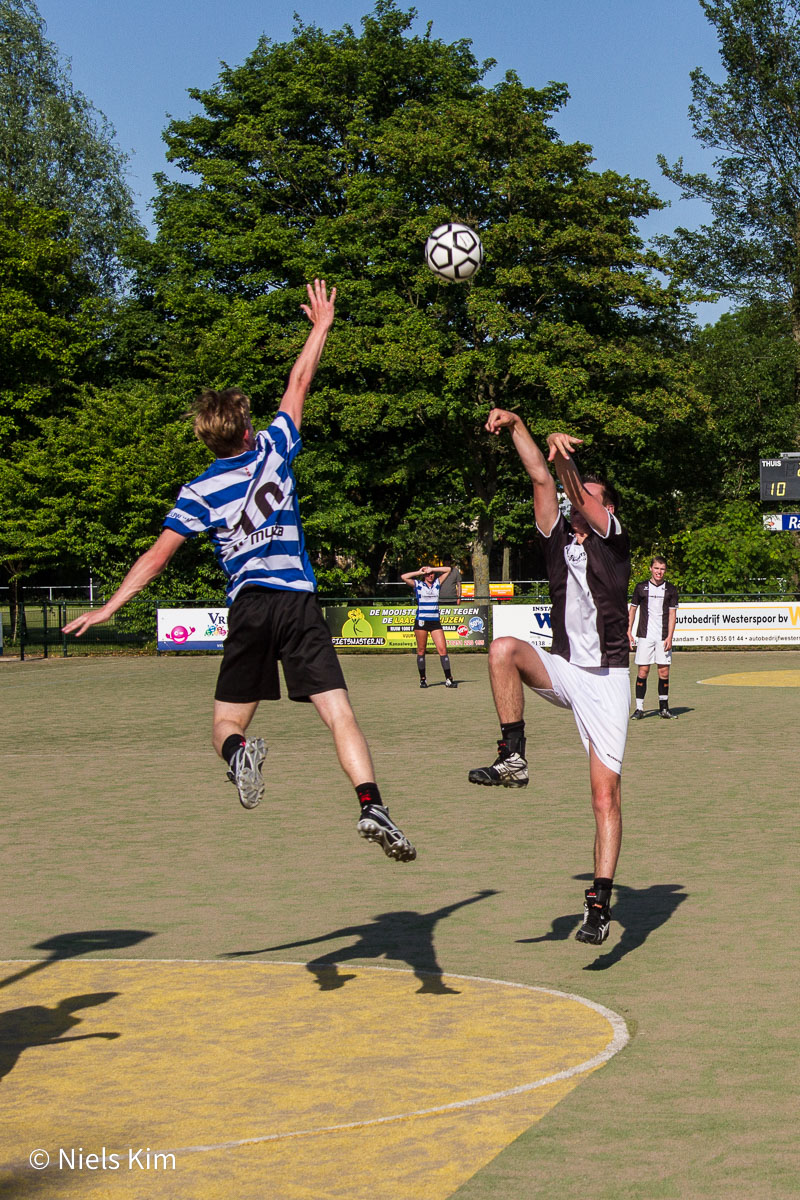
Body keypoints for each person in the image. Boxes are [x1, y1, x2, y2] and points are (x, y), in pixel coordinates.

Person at [62, 280, 415, 864]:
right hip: (298, 602)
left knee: (225, 722)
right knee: (338, 713)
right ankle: (371, 802)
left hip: (249, 604)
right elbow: (299, 382)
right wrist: (320, 323)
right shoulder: (275, 448)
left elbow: (157, 555)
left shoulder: (200, 488)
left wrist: (110, 605)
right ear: (247, 429)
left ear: (208, 436)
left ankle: (238, 756)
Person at [468, 409, 631, 946]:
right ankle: (513, 754)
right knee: (503, 649)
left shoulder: (614, 541)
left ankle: (599, 906)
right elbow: (542, 478)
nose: (577, 499)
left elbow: (572, 489)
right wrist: (517, 425)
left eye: (589, 494)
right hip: (564, 669)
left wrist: (569, 464)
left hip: (606, 681)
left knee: (604, 798)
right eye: (576, 492)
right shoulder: (557, 539)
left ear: (606, 509)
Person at [628, 556, 679, 719]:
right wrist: (628, 631)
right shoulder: (641, 587)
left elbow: (672, 614)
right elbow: (633, 610)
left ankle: (664, 708)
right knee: (643, 671)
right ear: (651, 568)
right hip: (645, 636)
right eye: (656, 568)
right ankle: (639, 708)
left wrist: (670, 636)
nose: (659, 572)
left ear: (665, 570)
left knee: (664, 672)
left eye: (662, 569)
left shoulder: (670, 589)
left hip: (663, 637)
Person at [399, 564, 457, 688]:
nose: (430, 575)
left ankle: (449, 679)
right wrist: (419, 572)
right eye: (427, 574)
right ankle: (423, 679)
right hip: (421, 621)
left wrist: (433, 569)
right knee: (421, 650)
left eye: (431, 574)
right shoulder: (418, 585)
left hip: (435, 621)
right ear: (423, 575)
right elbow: (404, 577)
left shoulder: (437, 583)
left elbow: (448, 570)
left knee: (442, 650)